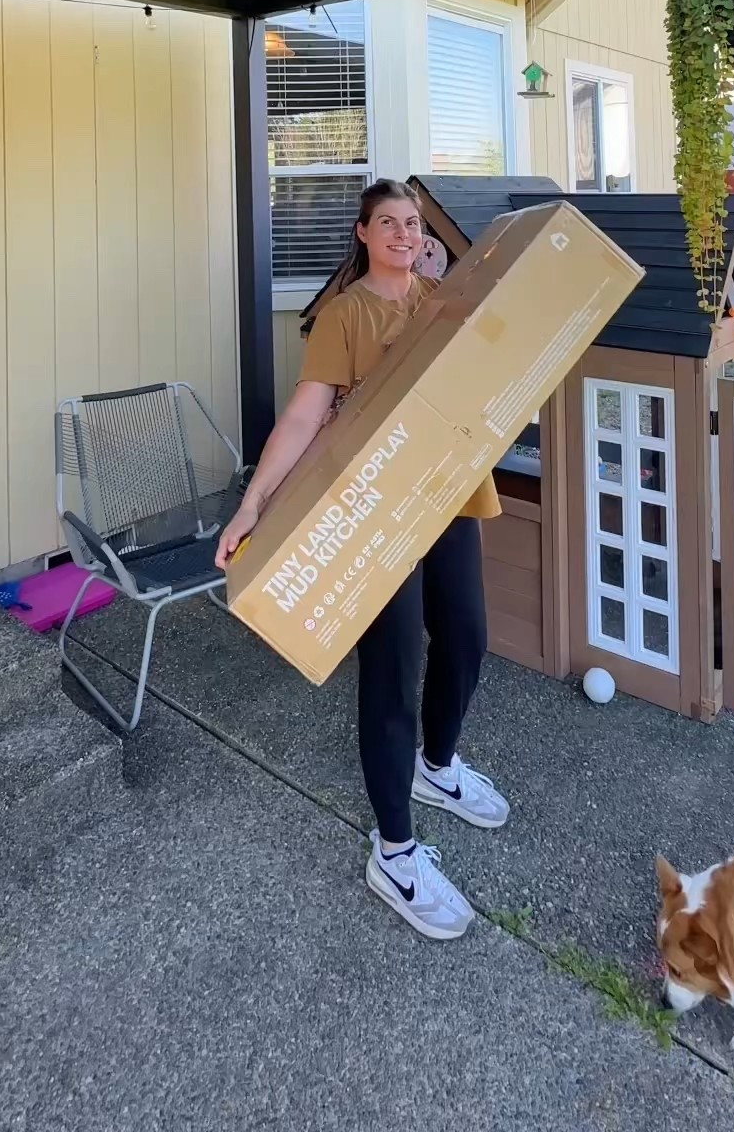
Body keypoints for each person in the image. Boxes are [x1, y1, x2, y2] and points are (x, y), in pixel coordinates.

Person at [216, 179, 508, 940]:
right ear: (363, 234)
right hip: (379, 508)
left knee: (468, 638)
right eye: (389, 224)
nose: (405, 235)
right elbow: (306, 413)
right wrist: (252, 505)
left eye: (413, 224)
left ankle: (437, 766)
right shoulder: (344, 315)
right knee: (392, 667)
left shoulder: (441, 301)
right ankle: (396, 851)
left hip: (447, 492)